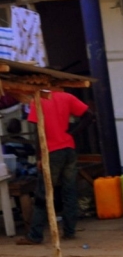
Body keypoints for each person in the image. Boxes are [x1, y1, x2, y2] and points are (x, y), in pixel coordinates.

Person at [17, 90, 93, 245]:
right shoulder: (67, 96)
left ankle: (35, 235)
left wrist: (39, 157)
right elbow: (89, 115)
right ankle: (69, 231)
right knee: (69, 191)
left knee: (43, 194)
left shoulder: (38, 100)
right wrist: (72, 133)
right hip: (69, 149)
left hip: (51, 151)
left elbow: (38, 131)